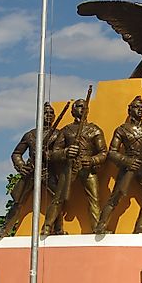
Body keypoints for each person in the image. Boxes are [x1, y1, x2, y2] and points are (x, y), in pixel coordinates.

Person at [95, 95, 142, 235]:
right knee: (117, 196)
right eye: (136, 107)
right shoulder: (121, 130)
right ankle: (101, 226)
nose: (140, 110)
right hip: (127, 168)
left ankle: (141, 226)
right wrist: (128, 161)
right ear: (130, 110)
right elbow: (112, 153)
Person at [43, 98, 107, 235]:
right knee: (58, 198)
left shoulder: (95, 130)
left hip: (87, 167)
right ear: (72, 111)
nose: (82, 109)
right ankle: (47, 227)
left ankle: (97, 227)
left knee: (94, 198)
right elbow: (53, 153)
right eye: (78, 106)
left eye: (85, 107)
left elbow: (103, 153)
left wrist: (93, 160)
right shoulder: (66, 131)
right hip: (70, 167)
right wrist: (66, 152)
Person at [0, 102, 61, 237]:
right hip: (31, 172)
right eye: (46, 113)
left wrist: (48, 155)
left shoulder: (58, 134)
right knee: (18, 201)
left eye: (51, 113)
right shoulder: (30, 135)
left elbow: (60, 153)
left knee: (58, 198)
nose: (49, 116)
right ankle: (5, 229)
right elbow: (16, 153)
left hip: (48, 171)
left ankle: (57, 228)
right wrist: (21, 166)